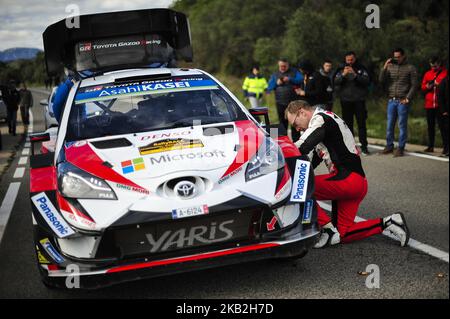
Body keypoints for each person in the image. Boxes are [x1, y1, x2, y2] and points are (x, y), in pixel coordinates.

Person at [285, 100, 410, 248]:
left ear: (302, 112)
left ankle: (326, 227)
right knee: (342, 234)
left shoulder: (320, 119)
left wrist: (276, 155)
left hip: (347, 180)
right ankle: (389, 222)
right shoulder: (325, 124)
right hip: (356, 182)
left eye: (295, 123)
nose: (296, 128)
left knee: (296, 186)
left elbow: (302, 146)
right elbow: (308, 162)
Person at [379, 48, 418, 157]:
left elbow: (414, 85)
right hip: (391, 100)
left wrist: (408, 98)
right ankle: (389, 146)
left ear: (403, 56)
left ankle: (400, 148)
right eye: (394, 56)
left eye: (398, 57)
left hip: (402, 101)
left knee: (402, 125)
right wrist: (385, 67)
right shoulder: (390, 67)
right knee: (389, 125)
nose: (396, 58)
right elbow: (381, 80)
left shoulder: (410, 68)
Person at [334, 52, 371, 155]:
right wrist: (343, 75)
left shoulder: (361, 68)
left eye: (351, 60)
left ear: (355, 59)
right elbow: (335, 82)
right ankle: (351, 147)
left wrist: (355, 75)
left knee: (361, 124)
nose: (350, 62)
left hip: (359, 100)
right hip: (345, 101)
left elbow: (367, 81)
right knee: (347, 125)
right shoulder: (341, 69)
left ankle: (364, 147)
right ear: (345, 60)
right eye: (348, 60)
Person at [267, 58, 303, 141]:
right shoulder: (275, 74)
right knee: (282, 123)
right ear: (278, 65)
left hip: (293, 103)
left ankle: (296, 144)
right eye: (281, 66)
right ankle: (284, 142)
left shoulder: (294, 72)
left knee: (295, 122)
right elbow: (269, 88)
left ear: (288, 65)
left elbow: (301, 79)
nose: (282, 67)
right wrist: (276, 83)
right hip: (280, 103)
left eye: (284, 66)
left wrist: (290, 79)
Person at [421, 56, 448, 153]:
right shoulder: (427, 74)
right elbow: (423, 87)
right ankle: (430, 146)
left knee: (443, 127)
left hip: (440, 105)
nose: (433, 68)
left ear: (439, 63)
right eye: (432, 66)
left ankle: (446, 147)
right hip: (429, 104)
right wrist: (428, 86)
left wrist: (439, 85)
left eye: (435, 66)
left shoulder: (445, 73)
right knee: (430, 126)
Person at [437, 73, 449, 156]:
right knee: (446, 130)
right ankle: (446, 148)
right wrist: (443, 110)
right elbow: (440, 96)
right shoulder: (444, 81)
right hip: (446, 111)